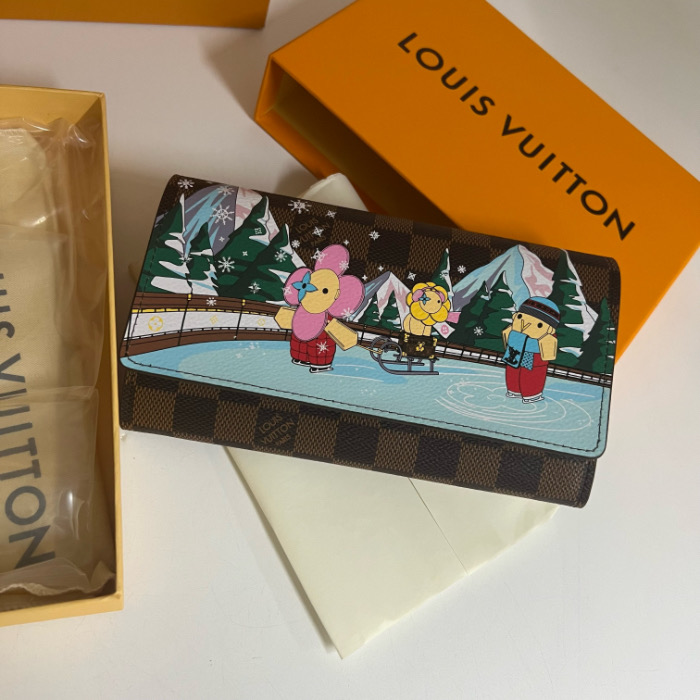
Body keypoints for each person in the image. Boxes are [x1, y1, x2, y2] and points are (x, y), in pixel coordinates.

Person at [502, 296, 560, 403]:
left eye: (539, 325)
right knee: (513, 372)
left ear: (550, 329)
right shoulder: (513, 331)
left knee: (531, 375)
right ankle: (514, 390)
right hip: (514, 352)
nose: (525, 324)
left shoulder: (547, 339)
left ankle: (531, 394)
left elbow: (548, 354)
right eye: (520, 317)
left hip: (533, 357)